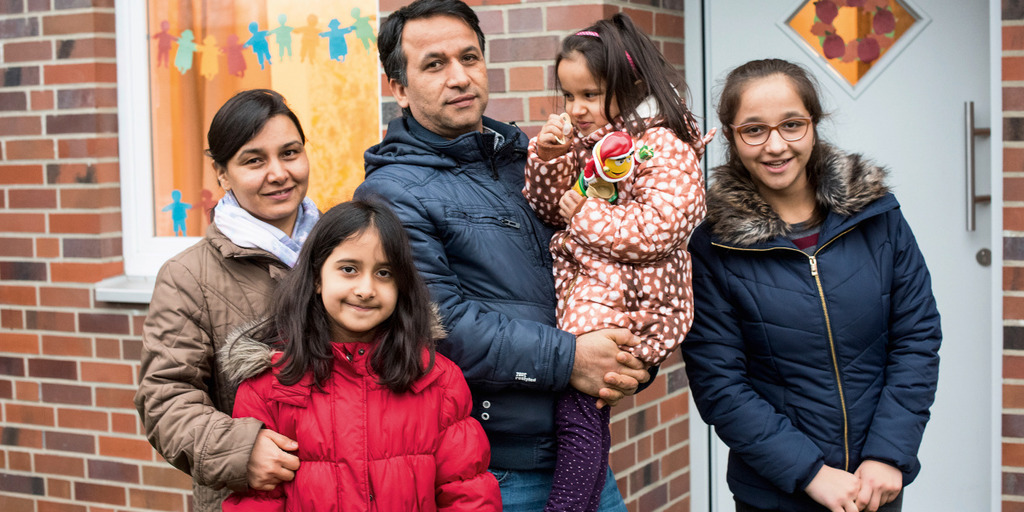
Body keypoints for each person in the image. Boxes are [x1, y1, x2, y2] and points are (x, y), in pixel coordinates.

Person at [353, 1, 652, 510]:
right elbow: (442, 327)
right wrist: (574, 358)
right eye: (434, 64)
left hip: (583, 456)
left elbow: (593, 261)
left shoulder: (526, 162)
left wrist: (628, 348)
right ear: (397, 86)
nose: (460, 77)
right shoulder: (390, 195)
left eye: (470, 58)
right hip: (498, 474)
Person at [682, 58, 941, 512]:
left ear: (814, 125)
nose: (776, 145)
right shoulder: (713, 247)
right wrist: (810, 474)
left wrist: (887, 455)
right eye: (754, 130)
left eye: (792, 125)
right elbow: (720, 383)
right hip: (777, 491)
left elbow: (916, 338)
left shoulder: (877, 216)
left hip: (873, 485)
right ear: (730, 137)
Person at [521, 13, 713, 511]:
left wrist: (585, 215)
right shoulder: (590, 143)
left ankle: (568, 506)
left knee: (580, 411)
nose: (577, 108)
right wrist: (548, 157)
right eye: (568, 96)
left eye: (590, 94)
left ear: (630, 86)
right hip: (595, 291)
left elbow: (658, 231)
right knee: (576, 410)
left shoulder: (665, 148)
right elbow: (545, 208)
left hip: (638, 298)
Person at [219, 200, 501, 510]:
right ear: (316, 278)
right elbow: (258, 501)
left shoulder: (437, 379)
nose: (366, 289)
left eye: (384, 273)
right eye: (349, 269)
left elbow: (467, 493)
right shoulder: (270, 384)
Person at [134, 89, 320, 512]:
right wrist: (239, 450)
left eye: (290, 153)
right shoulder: (188, 277)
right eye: (254, 160)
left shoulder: (343, 252)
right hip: (253, 499)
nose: (278, 173)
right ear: (221, 173)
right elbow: (165, 398)